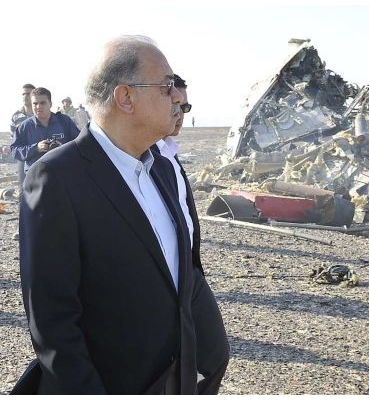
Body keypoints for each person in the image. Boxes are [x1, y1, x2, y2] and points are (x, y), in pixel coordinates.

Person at [12, 35, 229, 395]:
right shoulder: (56, 178)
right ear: (126, 97)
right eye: (167, 85)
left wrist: (209, 354)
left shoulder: (162, 168)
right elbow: (53, 320)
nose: (177, 97)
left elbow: (182, 272)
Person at [151, 74, 229, 394]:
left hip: (189, 272)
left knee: (215, 355)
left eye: (185, 107)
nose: (179, 114)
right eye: (173, 105)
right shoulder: (140, 157)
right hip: (161, 278)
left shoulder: (169, 152)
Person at [10, 87, 80, 174]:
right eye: (35, 103)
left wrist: (62, 148)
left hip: (62, 172)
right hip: (36, 175)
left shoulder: (64, 121)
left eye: (43, 103)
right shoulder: (24, 127)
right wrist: (36, 148)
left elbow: (79, 143)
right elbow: (15, 150)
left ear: (50, 104)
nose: (38, 107)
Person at [10, 83, 36, 190]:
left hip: (38, 152)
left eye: (28, 94)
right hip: (23, 155)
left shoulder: (40, 113)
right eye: (23, 94)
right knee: (23, 187)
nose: (25, 96)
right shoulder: (16, 116)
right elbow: (13, 137)